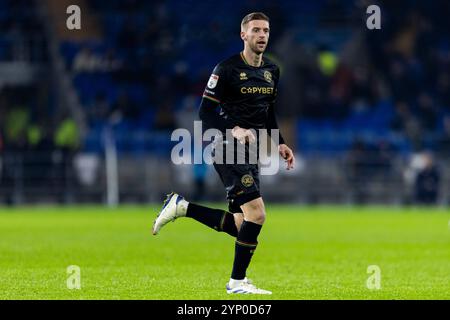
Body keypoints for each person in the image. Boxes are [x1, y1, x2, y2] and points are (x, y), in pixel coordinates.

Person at [152, 12, 295, 295]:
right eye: (255, 30)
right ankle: (237, 282)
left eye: (265, 30)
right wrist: (234, 128)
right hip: (227, 148)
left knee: (241, 223)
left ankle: (183, 207)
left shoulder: (271, 71)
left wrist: (279, 142)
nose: (262, 35)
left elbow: (268, 113)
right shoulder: (226, 69)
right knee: (258, 214)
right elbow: (205, 113)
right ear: (243, 35)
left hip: (252, 151)